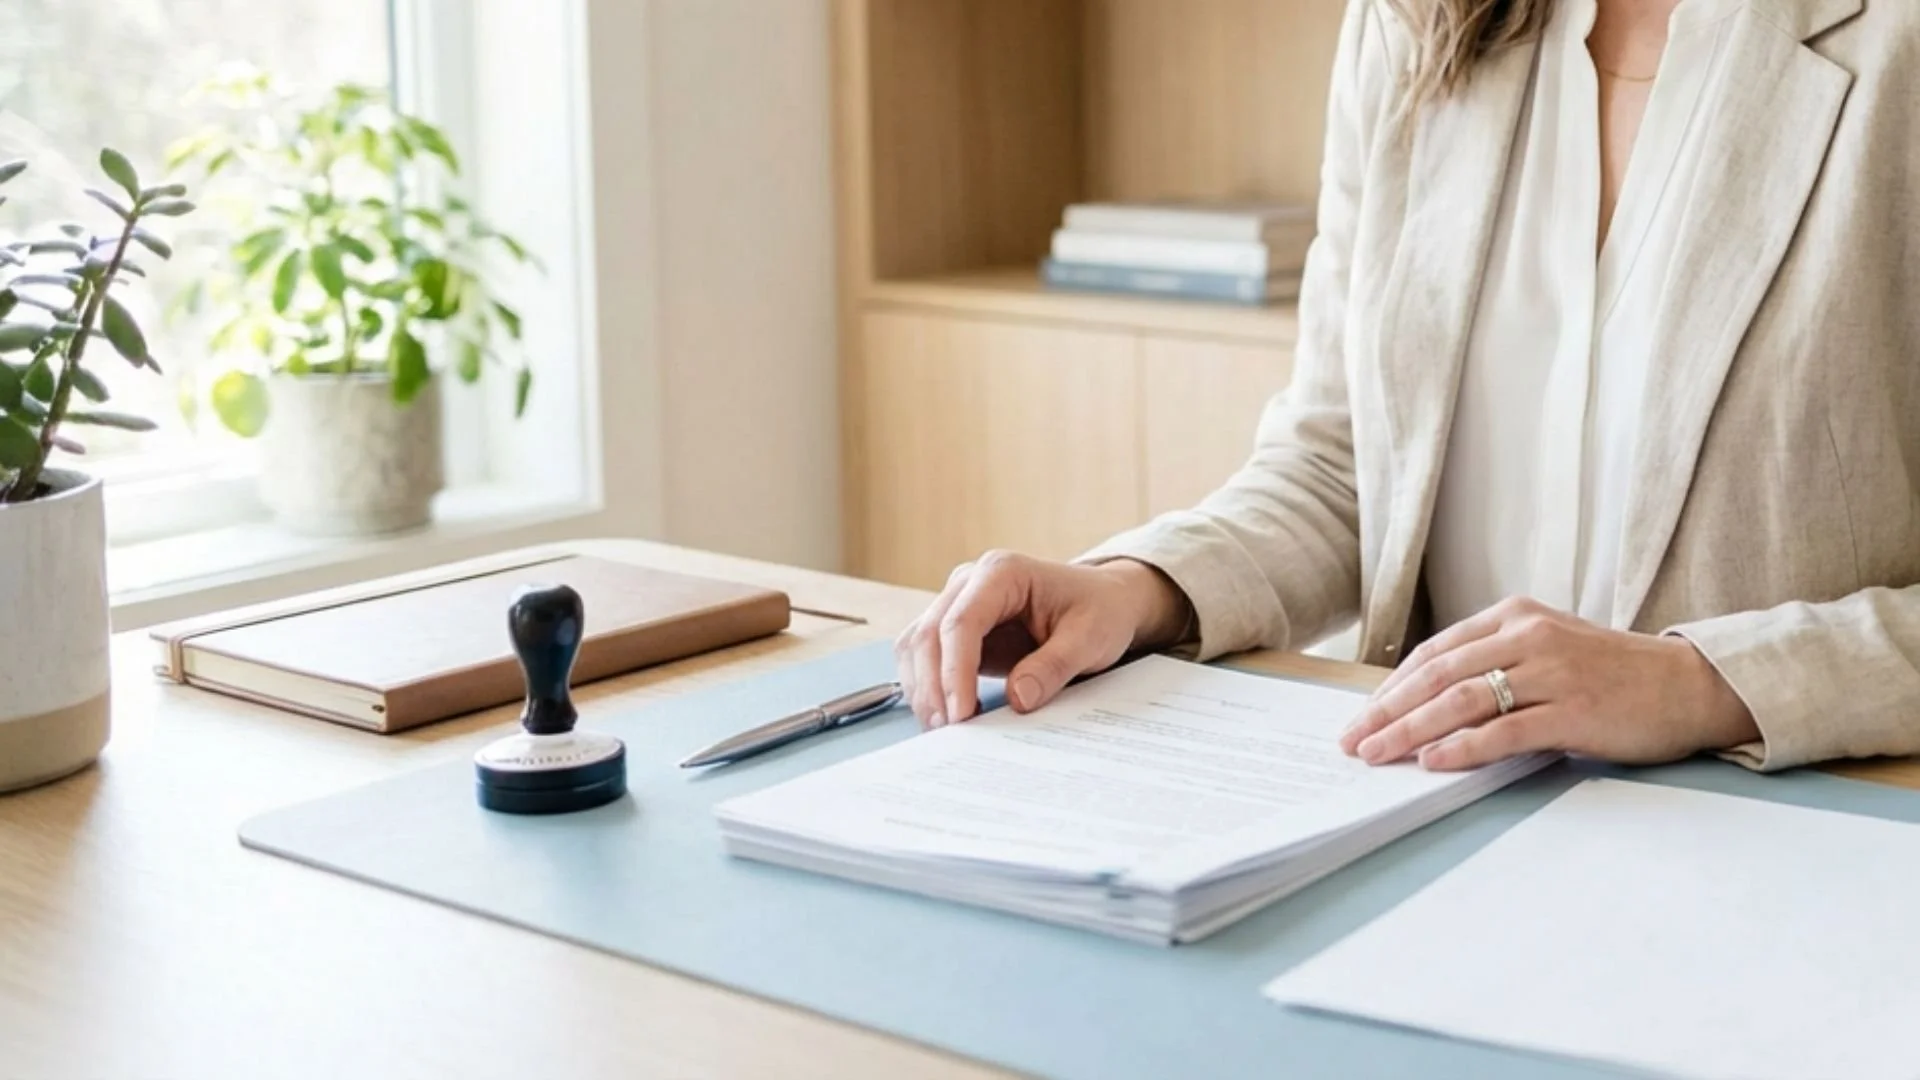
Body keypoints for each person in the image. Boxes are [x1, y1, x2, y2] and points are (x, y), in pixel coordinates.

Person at [893, 0, 1920, 774]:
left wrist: (1698, 685)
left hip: (1791, 839)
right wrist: (1136, 588)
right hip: (1435, 823)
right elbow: (1346, 469)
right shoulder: (1418, 19)